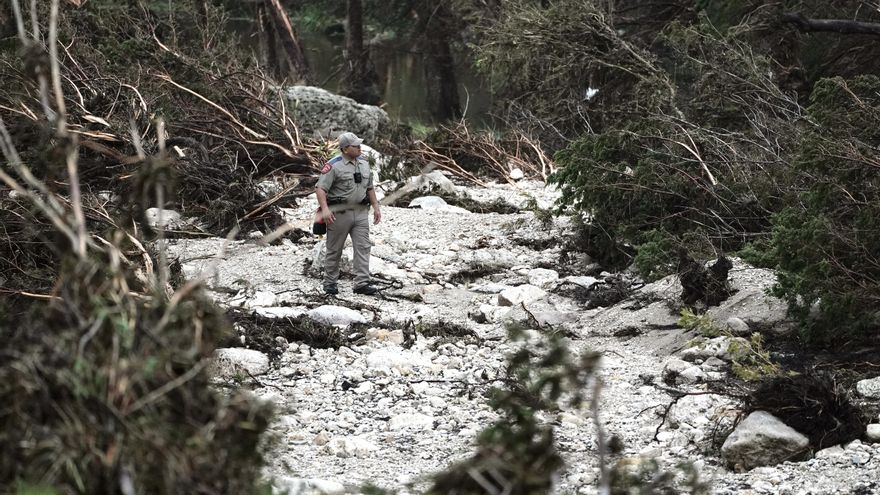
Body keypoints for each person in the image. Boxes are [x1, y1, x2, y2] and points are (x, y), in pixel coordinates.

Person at [315, 132, 382, 295]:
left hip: (361, 212)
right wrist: (325, 210)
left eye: (359, 145)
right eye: (355, 145)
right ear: (345, 149)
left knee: (363, 247)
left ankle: (362, 283)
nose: (359, 148)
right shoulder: (333, 165)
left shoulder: (364, 163)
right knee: (334, 248)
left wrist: (376, 206)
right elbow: (320, 189)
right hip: (339, 214)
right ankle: (330, 283)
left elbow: (370, 187)